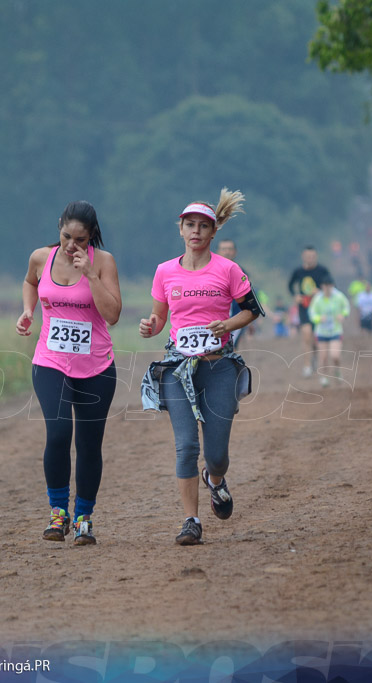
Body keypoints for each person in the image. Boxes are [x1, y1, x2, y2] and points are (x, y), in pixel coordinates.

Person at [139, 189, 262, 546]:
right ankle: (191, 521)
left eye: (203, 226)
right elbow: (159, 318)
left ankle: (217, 479)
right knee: (186, 447)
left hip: (219, 367)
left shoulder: (228, 269)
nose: (196, 231)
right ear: (180, 229)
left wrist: (229, 325)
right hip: (178, 370)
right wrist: (150, 326)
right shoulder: (164, 272)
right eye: (189, 225)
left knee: (216, 455)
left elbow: (251, 309)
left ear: (213, 232)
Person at [16, 200, 121, 546]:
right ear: (58, 226)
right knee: (58, 434)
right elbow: (31, 282)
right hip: (50, 361)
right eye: (66, 236)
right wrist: (28, 311)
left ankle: (83, 518)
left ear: (91, 236)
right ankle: (58, 513)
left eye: (80, 239)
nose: (71, 245)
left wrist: (90, 274)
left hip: (96, 367)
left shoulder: (103, 262)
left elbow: (113, 314)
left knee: (89, 445)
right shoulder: (40, 257)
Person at [287, 246, 332, 378]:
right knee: (306, 335)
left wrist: (321, 292)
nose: (310, 259)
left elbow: (331, 286)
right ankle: (307, 365)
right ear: (303, 257)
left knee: (317, 339)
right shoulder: (298, 271)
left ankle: (318, 361)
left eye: (312, 256)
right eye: (307, 256)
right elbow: (290, 285)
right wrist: (295, 296)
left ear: (316, 257)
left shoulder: (323, 270)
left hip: (319, 309)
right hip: (304, 307)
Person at [308, 276, 350, 387]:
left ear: (332, 286)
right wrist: (318, 318)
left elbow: (346, 307)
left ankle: (338, 371)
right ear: (322, 287)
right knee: (323, 357)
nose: (327, 288)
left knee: (335, 355)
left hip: (336, 331)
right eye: (325, 286)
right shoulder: (317, 299)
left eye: (329, 286)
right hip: (321, 332)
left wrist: (343, 315)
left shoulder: (339, 296)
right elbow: (312, 313)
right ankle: (324, 377)